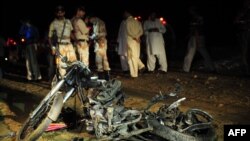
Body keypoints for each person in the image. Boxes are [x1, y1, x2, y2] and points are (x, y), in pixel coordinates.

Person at [183, 6, 215, 73]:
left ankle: (186, 69)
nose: (190, 11)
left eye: (191, 10)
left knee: (191, 52)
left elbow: (197, 28)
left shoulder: (197, 18)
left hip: (197, 36)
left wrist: (196, 38)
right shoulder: (196, 18)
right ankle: (211, 68)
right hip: (197, 36)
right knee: (202, 51)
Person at [48, 5, 77, 77]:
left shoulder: (68, 21)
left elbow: (71, 34)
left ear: (64, 13)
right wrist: (52, 47)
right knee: (61, 65)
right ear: (56, 13)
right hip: (60, 45)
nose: (60, 14)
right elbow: (49, 37)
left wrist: (76, 42)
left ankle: (72, 79)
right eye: (58, 12)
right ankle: (63, 81)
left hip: (69, 44)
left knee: (73, 62)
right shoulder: (53, 23)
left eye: (61, 12)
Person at [88, 16, 111, 80]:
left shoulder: (100, 23)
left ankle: (103, 76)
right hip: (98, 42)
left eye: (90, 20)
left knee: (100, 59)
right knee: (102, 59)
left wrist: (94, 37)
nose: (90, 21)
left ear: (93, 17)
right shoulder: (95, 23)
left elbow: (103, 33)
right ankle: (105, 76)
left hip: (101, 42)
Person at [124, 10, 145, 78]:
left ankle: (134, 74)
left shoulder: (127, 21)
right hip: (137, 40)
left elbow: (128, 31)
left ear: (127, 13)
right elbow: (141, 31)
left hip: (131, 40)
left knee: (131, 57)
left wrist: (135, 37)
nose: (124, 15)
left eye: (124, 14)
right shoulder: (137, 21)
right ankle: (140, 68)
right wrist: (138, 36)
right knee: (135, 56)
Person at [234, 0, 250, 74]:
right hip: (245, 32)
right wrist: (243, 21)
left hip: (246, 31)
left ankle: (245, 66)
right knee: (244, 49)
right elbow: (236, 20)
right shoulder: (243, 10)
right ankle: (244, 67)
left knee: (245, 49)